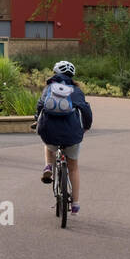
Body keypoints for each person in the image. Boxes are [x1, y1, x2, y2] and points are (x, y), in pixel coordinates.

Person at [34, 60, 92, 213]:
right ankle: (75, 203)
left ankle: (48, 166)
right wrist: (86, 127)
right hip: (72, 133)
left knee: (48, 145)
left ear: (55, 73)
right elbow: (86, 111)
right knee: (73, 168)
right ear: (72, 76)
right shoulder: (76, 91)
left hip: (50, 132)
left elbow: (40, 106)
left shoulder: (49, 88)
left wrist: (36, 121)